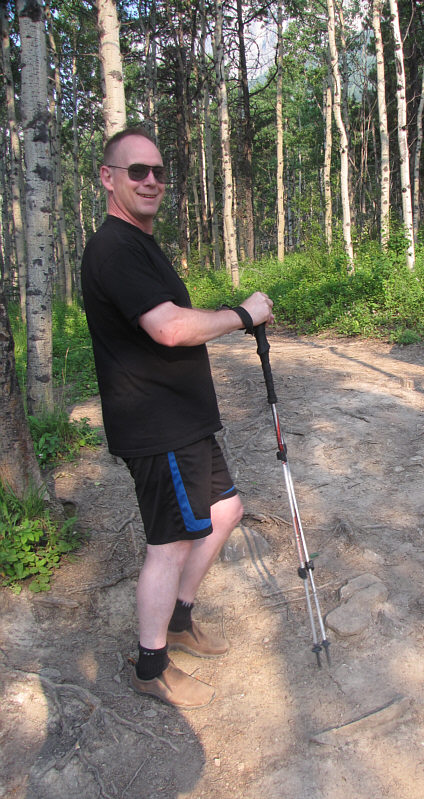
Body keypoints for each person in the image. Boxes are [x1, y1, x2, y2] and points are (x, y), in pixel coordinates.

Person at [81, 127, 274, 709]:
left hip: (184, 419)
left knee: (226, 510)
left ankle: (182, 617)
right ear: (108, 178)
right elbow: (168, 327)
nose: (150, 181)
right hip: (155, 423)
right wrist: (241, 314)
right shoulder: (114, 247)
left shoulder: (141, 242)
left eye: (158, 172)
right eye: (136, 170)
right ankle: (151, 665)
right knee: (168, 544)